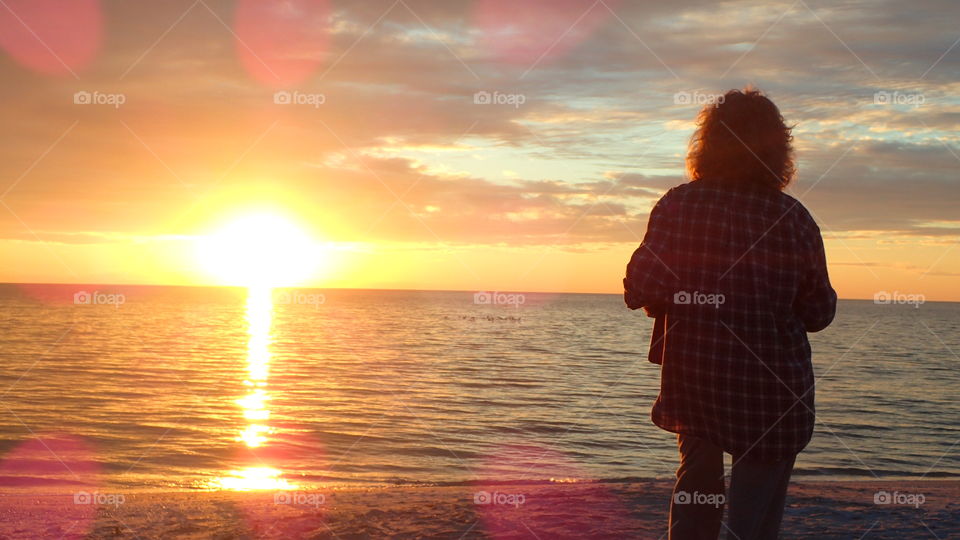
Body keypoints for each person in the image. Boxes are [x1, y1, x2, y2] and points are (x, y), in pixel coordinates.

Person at [623, 87, 837, 540]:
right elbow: (818, 312)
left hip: (697, 380)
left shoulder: (679, 205)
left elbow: (639, 287)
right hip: (774, 390)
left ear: (708, 144)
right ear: (779, 149)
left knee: (696, 496)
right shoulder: (794, 218)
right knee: (753, 519)